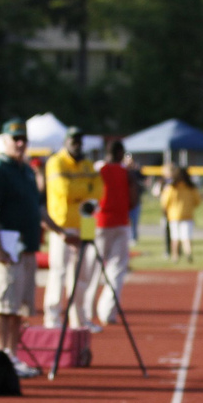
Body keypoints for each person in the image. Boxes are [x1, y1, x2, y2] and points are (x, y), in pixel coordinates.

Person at [0, 120, 75, 378]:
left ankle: (11, 355)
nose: (20, 143)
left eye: (23, 138)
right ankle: (1, 357)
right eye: (15, 138)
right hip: (8, 249)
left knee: (19, 309)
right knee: (3, 306)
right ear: (5, 140)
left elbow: (38, 209)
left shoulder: (26, 171)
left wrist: (60, 232)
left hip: (27, 249)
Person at [43, 127, 102, 331]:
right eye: (73, 141)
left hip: (85, 221)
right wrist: (85, 189)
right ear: (66, 141)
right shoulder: (56, 162)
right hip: (63, 222)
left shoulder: (87, 164)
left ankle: (79, 318)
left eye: (79, 141)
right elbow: (64, 189)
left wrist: (82, 191)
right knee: (59, 270)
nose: (77, 145)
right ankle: (52, 317)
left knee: (83, 272)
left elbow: (100, 190)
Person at [84, 140, 135, 328]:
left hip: (99, 222)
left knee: (92, 268)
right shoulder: (124, 172)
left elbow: (87, 200)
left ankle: (86, 310)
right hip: (119, 222)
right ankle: (107, 311)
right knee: (116, 269)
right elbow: (134, 200)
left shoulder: (98, 169)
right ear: (120, 152)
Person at [160, 165, 201, 263]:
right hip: (187, 215)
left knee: (175, 237)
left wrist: (166, 211)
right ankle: (188, 253)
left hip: (174, 215)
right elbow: (197, 201)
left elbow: (165, 201)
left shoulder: (171, 187)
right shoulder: (191, 188)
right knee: (186, 237)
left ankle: (175, 256)